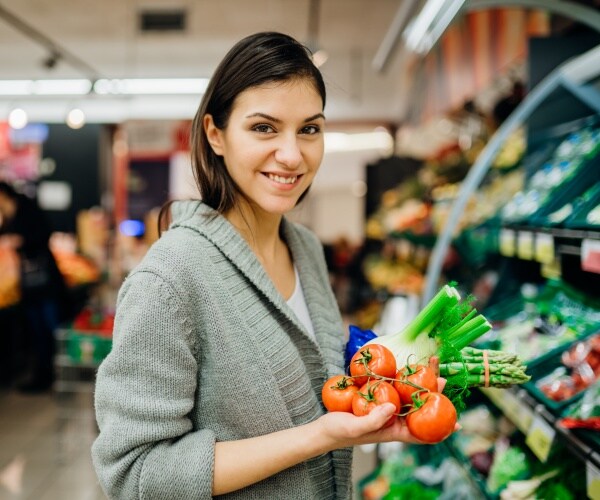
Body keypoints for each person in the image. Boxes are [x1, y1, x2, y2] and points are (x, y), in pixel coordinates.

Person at [92, 32, 453, 499]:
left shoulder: (304, 248)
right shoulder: (169, 280)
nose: (292, 154)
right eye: (264, 128)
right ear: (215, 134)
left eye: (309, 128)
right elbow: (135, 473)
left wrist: (392, 380)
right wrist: (320, 435)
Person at [0, 181, 65, 392]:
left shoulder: (27, 209)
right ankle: (44, 375)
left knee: (50, 329)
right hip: (28, 286)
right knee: (38, 331)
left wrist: (20, 241)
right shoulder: (7, 216)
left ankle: (56, 375)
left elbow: (44, 234)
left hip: (43, 282)